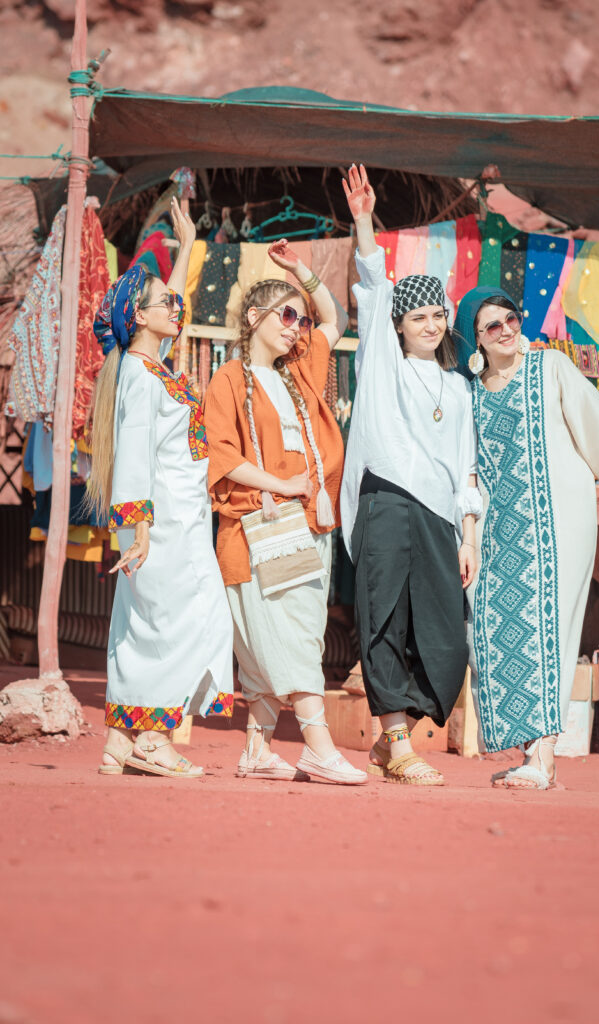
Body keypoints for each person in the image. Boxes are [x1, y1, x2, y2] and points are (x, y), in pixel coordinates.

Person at [455, 285, 599, 789]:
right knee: (495, 627)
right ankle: (532, 753)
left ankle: (543, 757)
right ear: (475, 338)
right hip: (497, 531)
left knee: (549, 628)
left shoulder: (550, 368)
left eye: (511, 318)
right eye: (493, 325)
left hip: (557, 521)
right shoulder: (468, 394)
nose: (506, 330)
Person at [204, 238, 367, 785]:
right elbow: (223, 457)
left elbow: (336, 320)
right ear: (254, 317)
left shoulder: (298, 371)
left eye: (300, 319)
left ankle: (256, 749)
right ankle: (318, 747)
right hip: (263, 521)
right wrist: (282, 484)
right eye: (287, 315)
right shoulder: (228, 379)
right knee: (291, 635)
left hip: (310, 520)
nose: (297, 328)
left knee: (295, 632)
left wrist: (302, 272)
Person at [341, 164, 481, 786]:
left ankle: (393, 735)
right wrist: (364, 222)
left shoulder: (459, 388)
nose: (429, 323)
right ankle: (397, 742)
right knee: (386, 620)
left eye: (436, 315)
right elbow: (374, 284)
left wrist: (468, 535)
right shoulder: (382, 365)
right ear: (398, 324)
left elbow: (465, 466)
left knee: (446, 636)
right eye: (417, 315)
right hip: (386, 501)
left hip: (438, 518)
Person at [90, 197, 234, 778]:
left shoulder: (149, 366)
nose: (176, 309)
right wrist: (140, 528)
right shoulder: (140, 377)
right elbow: (132, 455)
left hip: (170, 522)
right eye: (164, 306)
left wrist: (189, 244)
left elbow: (168, 305)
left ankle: (120, 739)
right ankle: (153, 739)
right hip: (162, 527)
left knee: (146, 627)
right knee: (194, 622)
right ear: (140, 317)